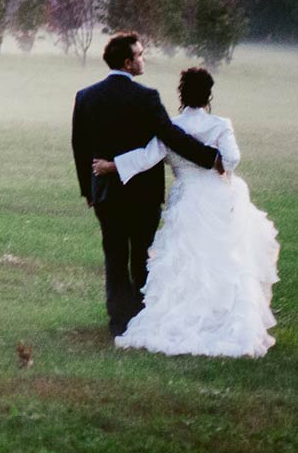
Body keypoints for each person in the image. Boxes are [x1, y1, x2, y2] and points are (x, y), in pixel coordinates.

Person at [93, 66, 279, 358]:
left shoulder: (171, 127)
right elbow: (231, 159)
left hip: (187, 197)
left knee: (186, 260)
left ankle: (179, 317)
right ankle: (221, 318)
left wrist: (111, 165)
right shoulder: (220, 124)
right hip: (217, 198)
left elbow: (146, 157)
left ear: (181, 94)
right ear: (209, 95)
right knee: (222, 259)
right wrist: (216, 163)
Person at [70, 32, 224, 337]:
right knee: (142, 257)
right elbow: (171, 137)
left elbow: (80, 147)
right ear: (128, 62)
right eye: (140, 55)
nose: (143, 59)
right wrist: (211, 157)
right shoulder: (147, 97)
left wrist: (88, 190)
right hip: (143, 194)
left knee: (114, 256)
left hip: (106, 192)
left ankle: (118, 322)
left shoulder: (86, 96)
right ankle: (141, 317)